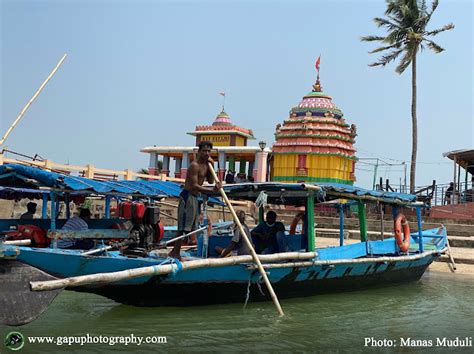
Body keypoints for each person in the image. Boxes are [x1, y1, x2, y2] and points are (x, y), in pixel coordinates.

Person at [169, 141, 222, 259]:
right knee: (183, 227)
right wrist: (212, 192)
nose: (207, 153)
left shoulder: (206, 165)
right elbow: (193, 185)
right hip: (188, 196)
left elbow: (211, 180)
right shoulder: (194, 165)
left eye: (209, 151)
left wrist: (212, 166)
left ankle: (174, 251)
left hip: (195, 198)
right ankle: (175, 252)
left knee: (190, 228)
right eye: (204, 151)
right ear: (199, 151)